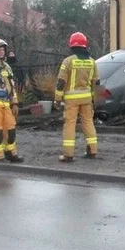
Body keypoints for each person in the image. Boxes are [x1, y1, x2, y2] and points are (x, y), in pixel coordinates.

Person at [53, 32, 98, 162]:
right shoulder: (92, 62)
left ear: (72, 46)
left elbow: (61, 82)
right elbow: (96, 83)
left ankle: (68, 154)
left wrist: (57, 99)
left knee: (70, 125)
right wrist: (96, 100)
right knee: (88, 123)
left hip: (71, 100)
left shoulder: (68, 61)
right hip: (87, 99)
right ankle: (92, 151)